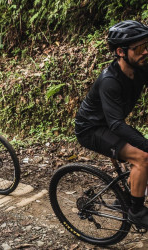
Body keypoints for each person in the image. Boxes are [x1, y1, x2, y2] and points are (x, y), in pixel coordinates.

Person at [75, 20, 148, 228]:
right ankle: (136, 211)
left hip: (112, 123)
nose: (146, 52)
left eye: (147, 46)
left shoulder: (141, 69)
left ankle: (125, 198)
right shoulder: (110, 81)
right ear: (121, 51)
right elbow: (116, 125)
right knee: (142, 157)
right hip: (92, 129)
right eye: (140, 48)